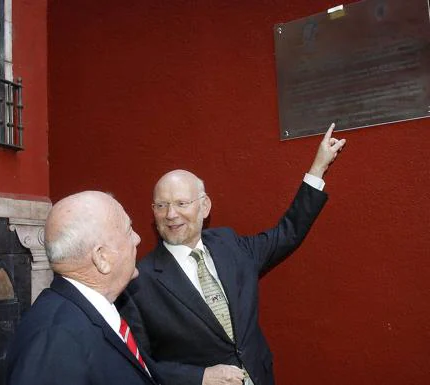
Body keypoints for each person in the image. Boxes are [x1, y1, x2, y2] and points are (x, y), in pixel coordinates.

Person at [119, 124, 346, 385]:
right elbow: (138, 366)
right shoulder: (138, 282)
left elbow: (287, 234)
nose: (171, 214)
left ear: (204, 206)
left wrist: (317, 168)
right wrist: (200, 377)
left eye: (181, 203)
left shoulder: (229, 245)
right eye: (161, 205)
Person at [6, 191, 160, 385]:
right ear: (102, 258)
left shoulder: (90, 308)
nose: (137, 239)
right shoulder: (57, 340)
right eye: (129, 231)